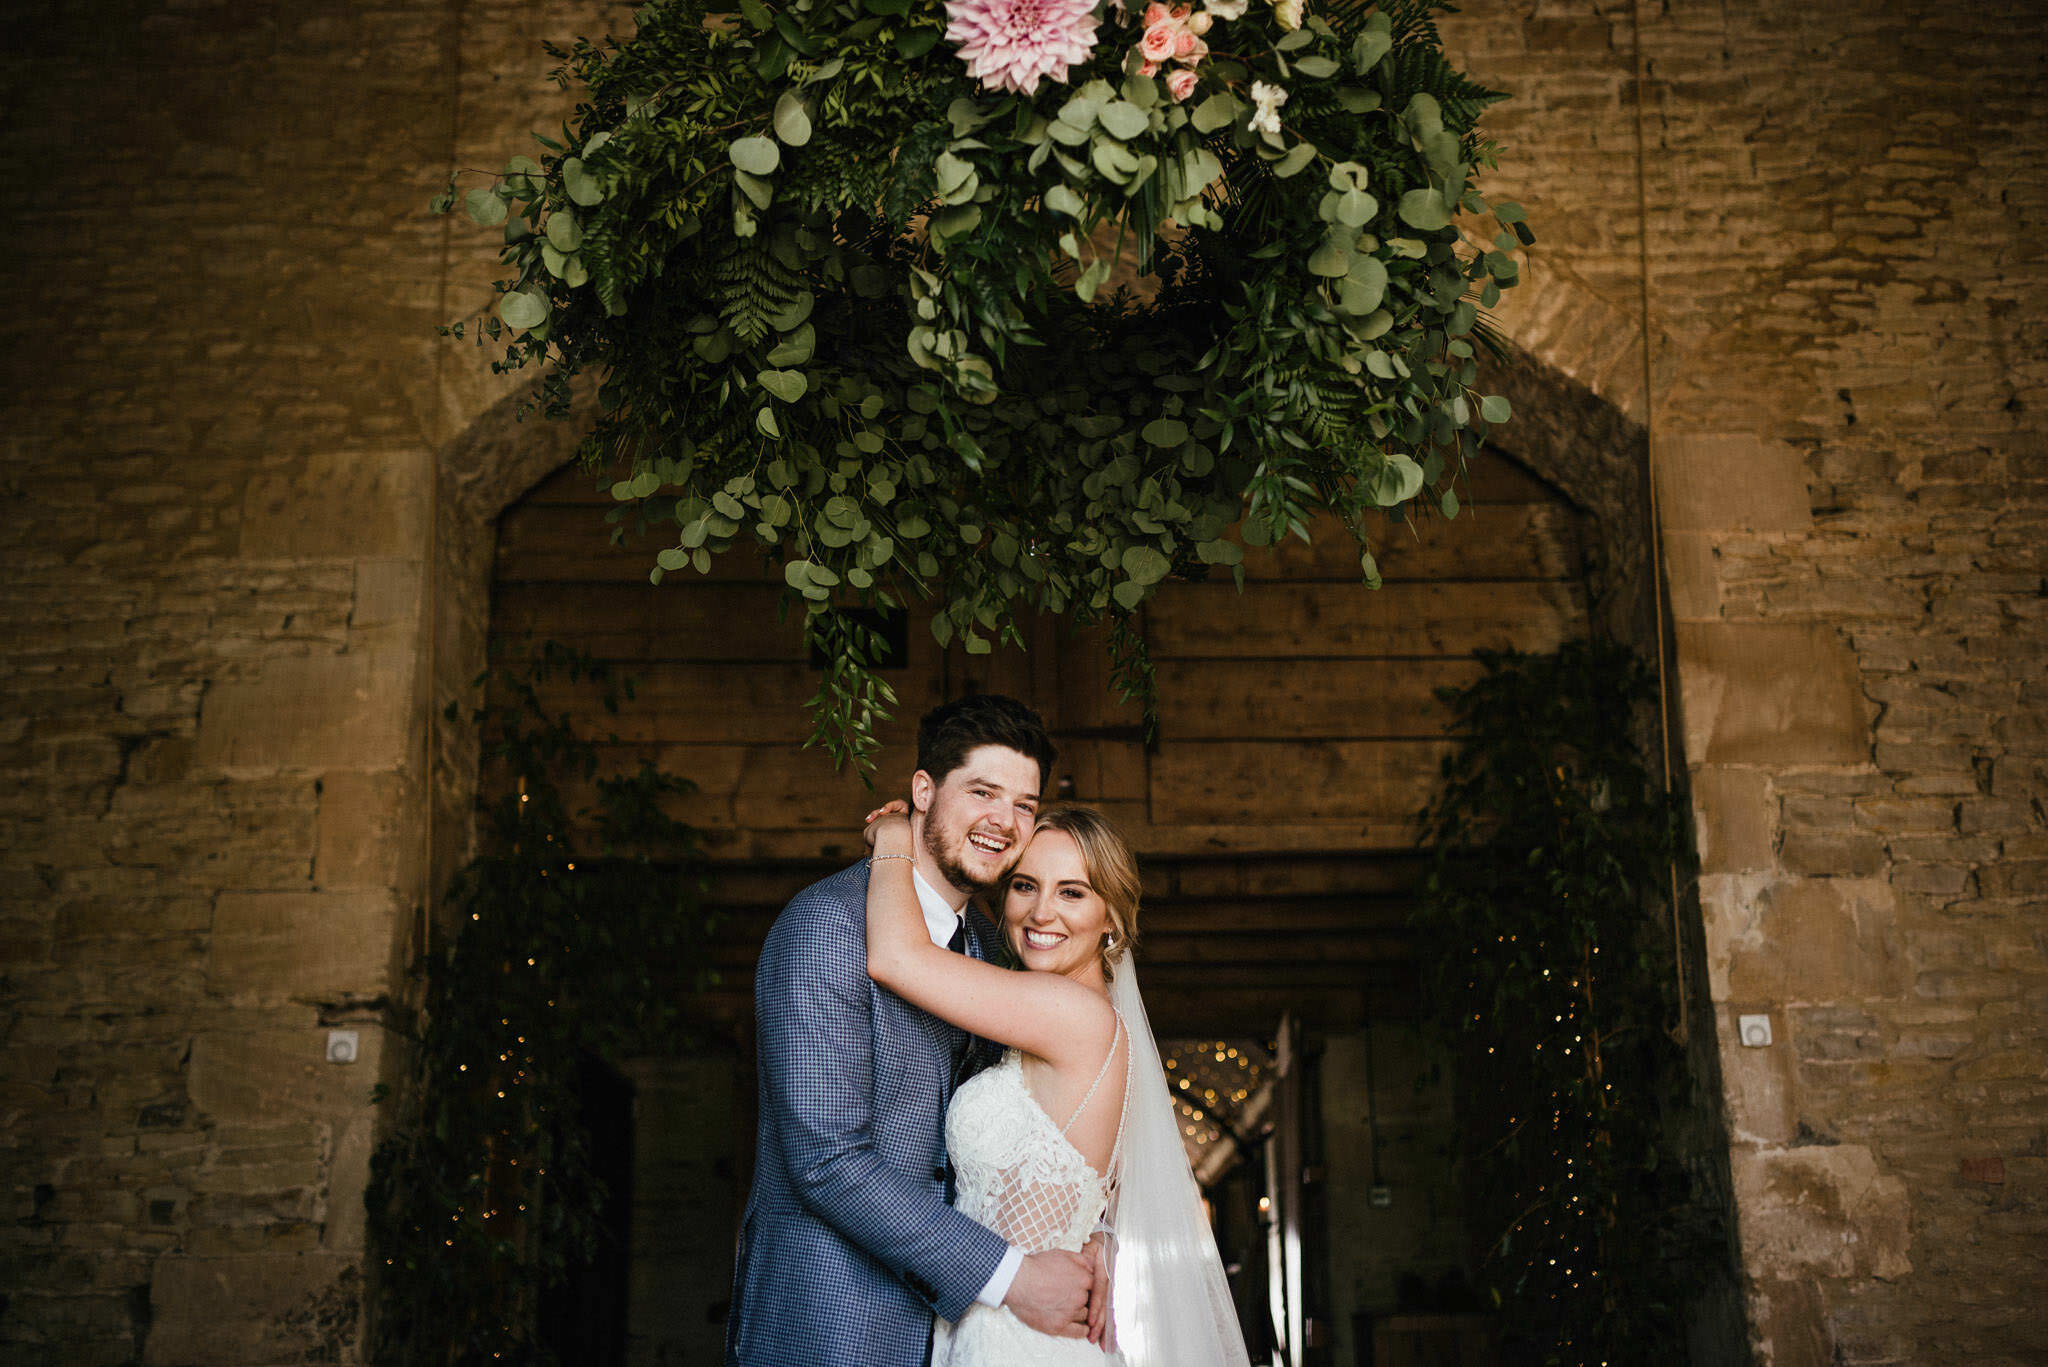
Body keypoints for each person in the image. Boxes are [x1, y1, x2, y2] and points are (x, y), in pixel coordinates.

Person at [725, 695, 1107, 1367]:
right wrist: (1015, 1275)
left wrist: (1091, 1228)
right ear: (923, 791)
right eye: (982, 791)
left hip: (963, 1337)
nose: (1004, 820)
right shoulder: (825, 929)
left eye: (1024, 802)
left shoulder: (993, 946)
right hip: (833, 1326)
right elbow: (828, 1160)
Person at [862, 800, 1253, 1367]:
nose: (1042, 912)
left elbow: (896, 956)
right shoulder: (1085, 1022)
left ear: (1111, 918)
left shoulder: (1070, 1014)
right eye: (1025, 886)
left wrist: (894, 833)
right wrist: (1097, 1240)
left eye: (1072, 892)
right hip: (1014, 1326)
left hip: (1019, 1342)